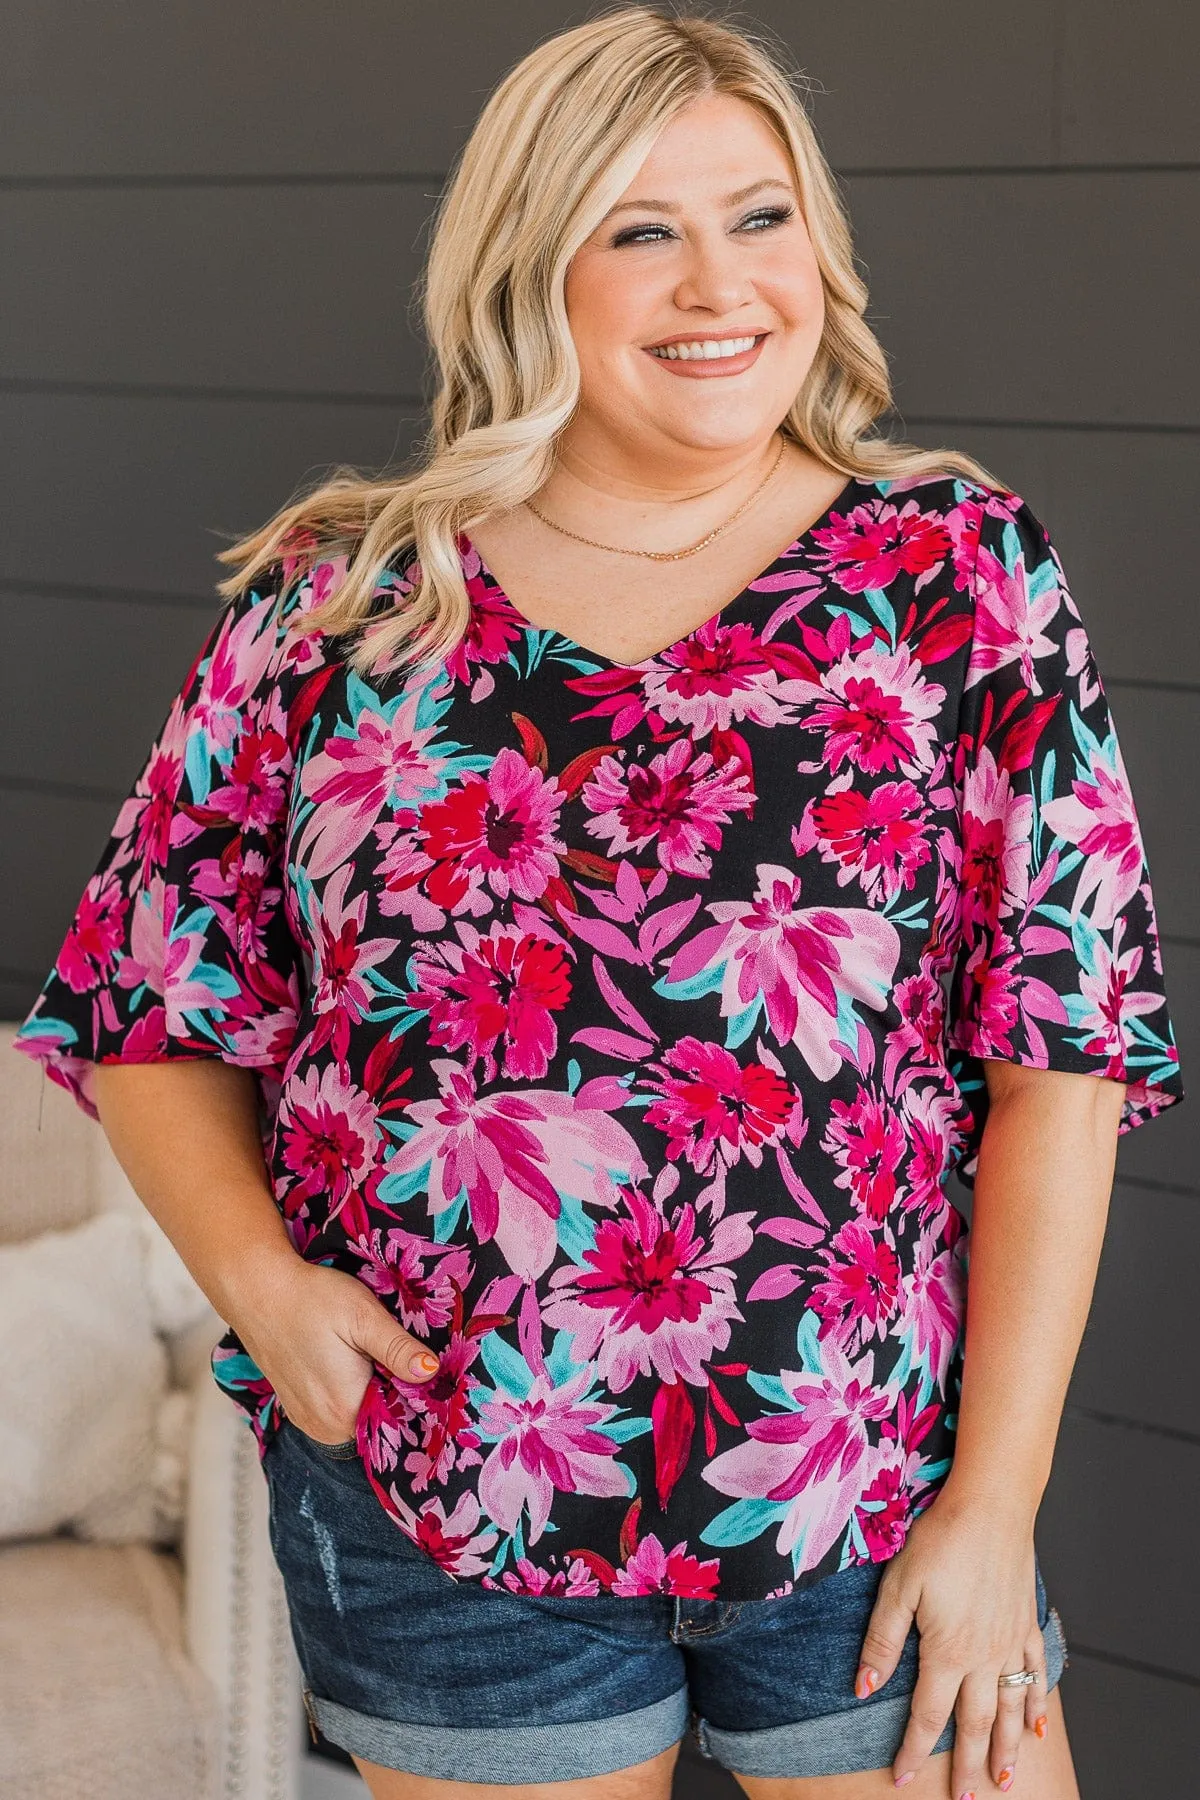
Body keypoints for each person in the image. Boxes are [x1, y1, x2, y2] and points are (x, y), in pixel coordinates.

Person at [12, 9, 1183, 1800]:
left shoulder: (962, 581)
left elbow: (1067, 1070)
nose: (720, 282)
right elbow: (145, 1006)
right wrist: (261, 1293)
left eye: (761, 215)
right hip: (449, 1508)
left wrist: (995, 1506)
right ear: (525, 269)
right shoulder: (345, 609)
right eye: (639, 228)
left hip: (869, 1506)